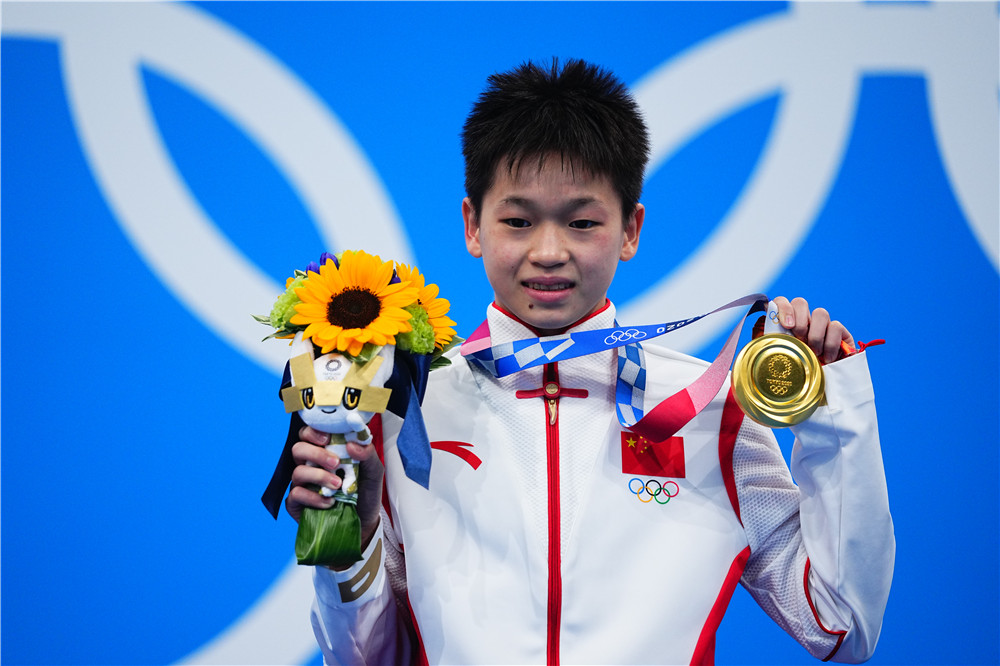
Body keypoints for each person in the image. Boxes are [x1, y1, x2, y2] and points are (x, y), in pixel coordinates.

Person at [284, 59, 894, 664]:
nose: (549, 251)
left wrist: (830, 416)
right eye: (518, 221)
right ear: (473, 225)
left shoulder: (713, 411)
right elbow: (364, 661)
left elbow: (840, 625)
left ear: (630, 229)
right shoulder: (408, 410)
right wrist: (352, 540)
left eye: (582, 222)